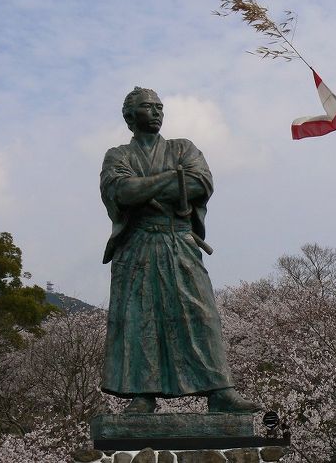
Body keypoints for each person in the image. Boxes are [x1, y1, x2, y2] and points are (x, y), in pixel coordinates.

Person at [99, 86, 260, 413]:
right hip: (137, 246)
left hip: (179, 242)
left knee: (200, 313)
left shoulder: (183, 148)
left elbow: (201, 183)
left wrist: (149, 188)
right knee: (139, 318)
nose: (157, 112)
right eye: (148, 107)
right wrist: (171, 180)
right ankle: (141, 394)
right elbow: (121, 191)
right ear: (130, 116)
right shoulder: (118, 156)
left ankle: (219, 391)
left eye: (160, 106)